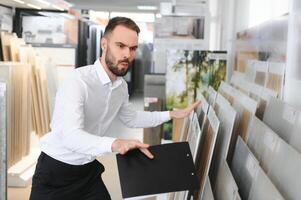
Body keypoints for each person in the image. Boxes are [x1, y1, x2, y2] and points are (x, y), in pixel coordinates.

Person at [29, 17, 200, 200]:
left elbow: (130, 118)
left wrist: (171, 114)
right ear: (104, 44)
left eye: (133, 48)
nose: (127, 54)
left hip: (87, 171)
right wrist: (116, 143)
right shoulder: (78, 82)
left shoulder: (120, 86)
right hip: (55, 173)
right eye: (120, 46)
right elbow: (71, 136)